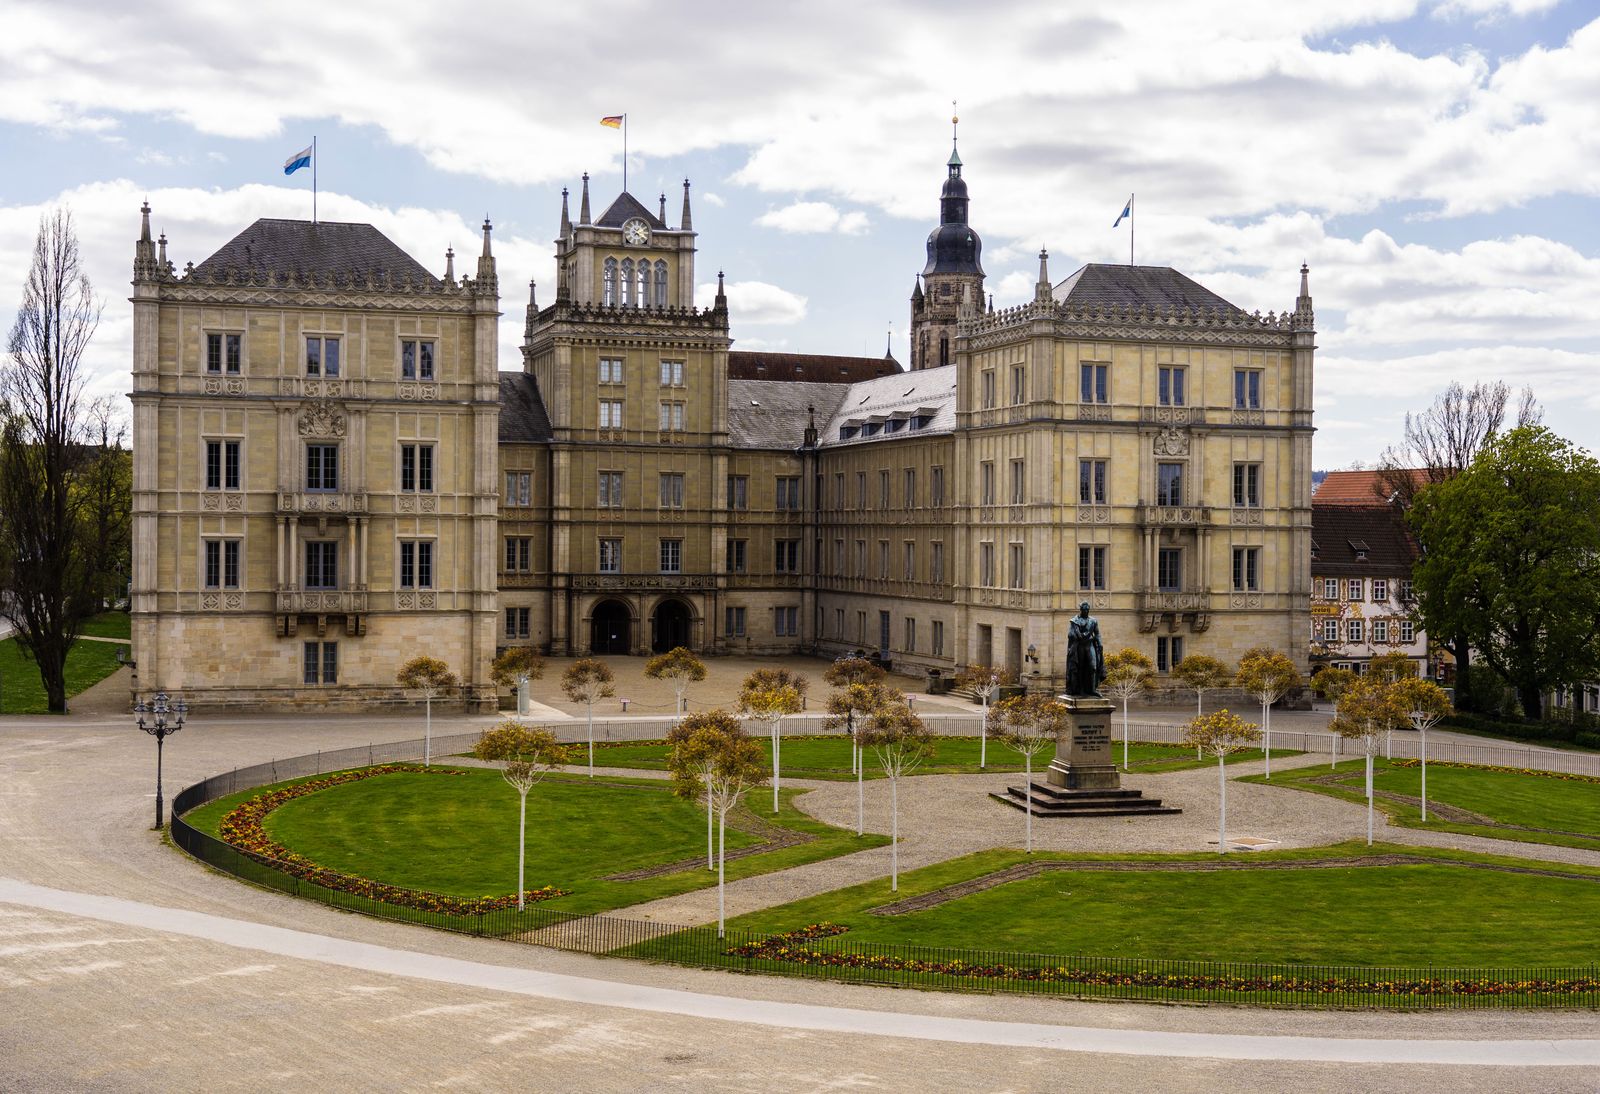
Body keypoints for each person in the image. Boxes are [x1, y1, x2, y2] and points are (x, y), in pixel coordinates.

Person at [1065, 601, 1105, 698]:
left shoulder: (1093, 621)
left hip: (1090, 645)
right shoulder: (1075, 621)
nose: (1086, 611)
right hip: (1079, 646)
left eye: (1087, 610)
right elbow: (1072, 635)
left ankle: (1092, 689)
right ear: (1081, 610)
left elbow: (1097, 633)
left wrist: (1100, 643)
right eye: (1084, 610)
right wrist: (1077, 635)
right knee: (1080, 668)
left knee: (1093, 667)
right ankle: (1081, 689)